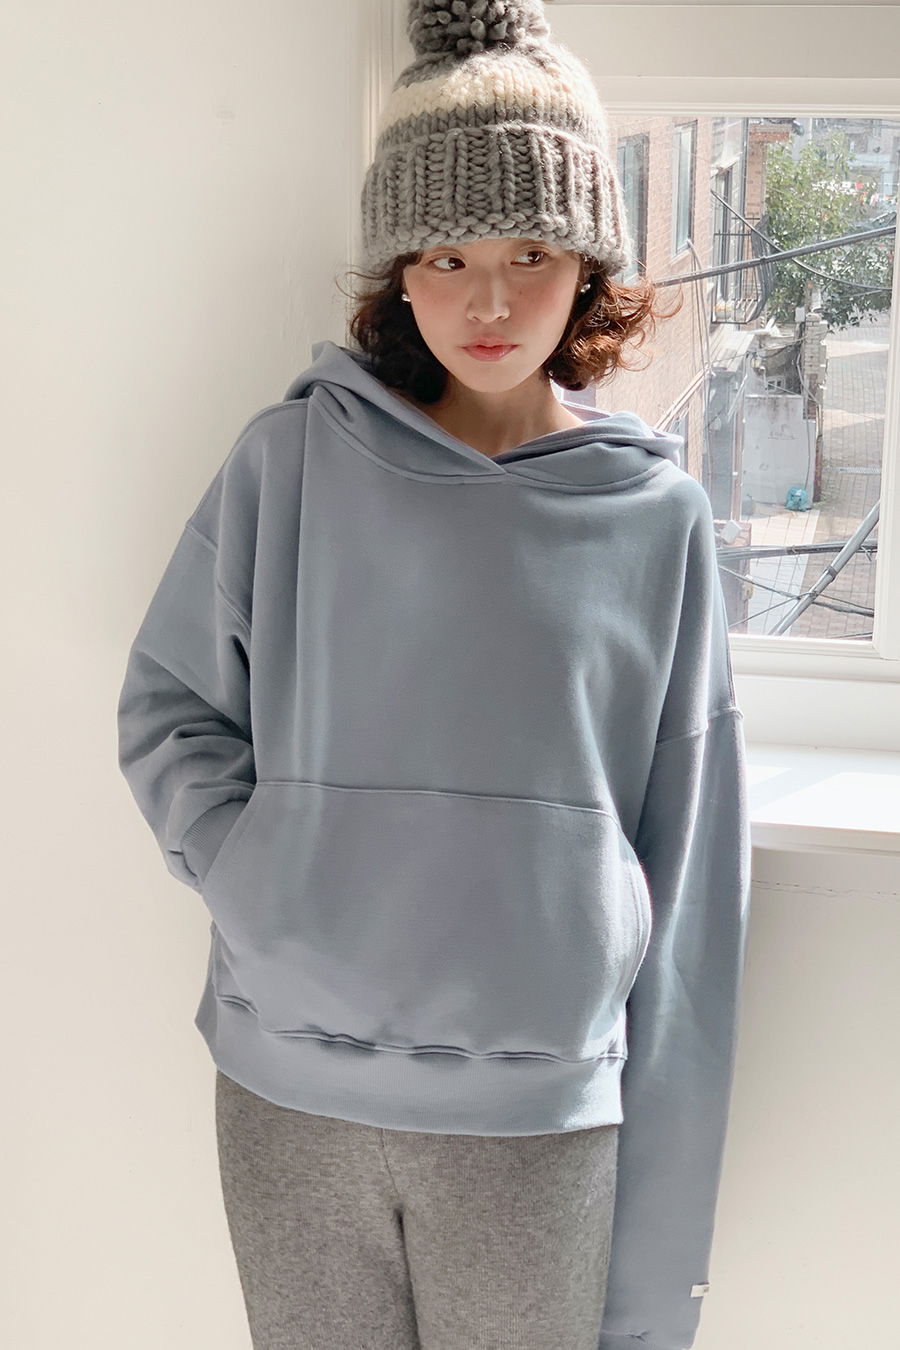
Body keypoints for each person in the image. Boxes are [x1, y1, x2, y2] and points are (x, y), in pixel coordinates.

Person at [116, 3, 751, 1348]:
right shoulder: (292, 463)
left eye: (531, 253)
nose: (490, 301)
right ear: (400, 271)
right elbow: (170, 707)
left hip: (536, 1114)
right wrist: (266, 879)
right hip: (288, 1093)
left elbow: (689, 854)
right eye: (448, 255)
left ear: (589, 264)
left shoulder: (656, 518)